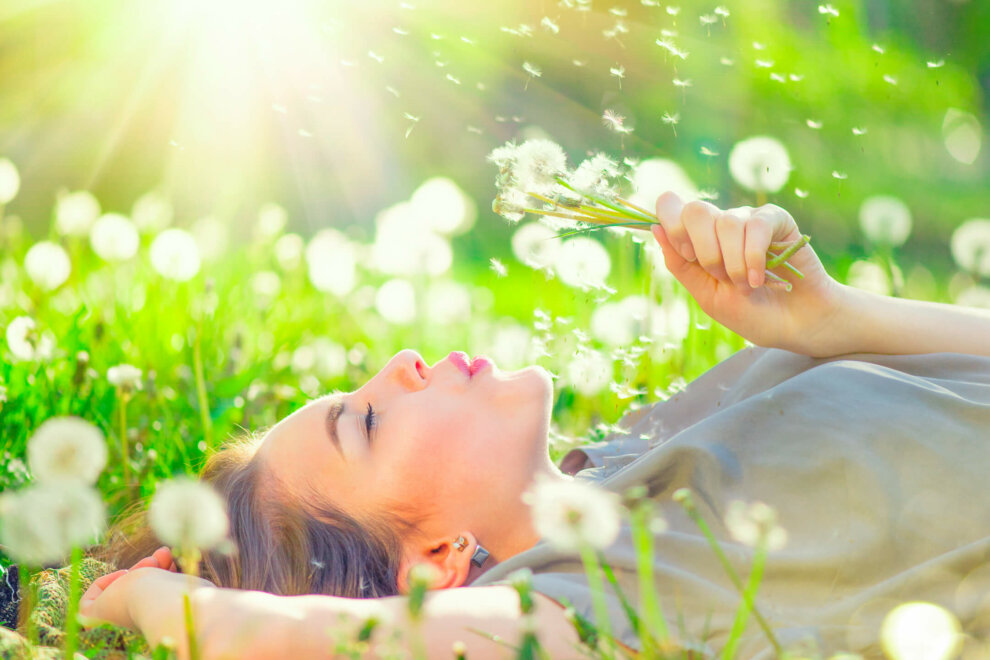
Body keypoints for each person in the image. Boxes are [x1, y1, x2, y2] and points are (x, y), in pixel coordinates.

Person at [78, 192, 990, 659]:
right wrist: (168, 608)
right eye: (362, 422)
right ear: (435, 563)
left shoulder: (633, 452)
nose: (397, 367)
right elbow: (299, 644)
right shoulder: (596, 594)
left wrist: (837, 323)